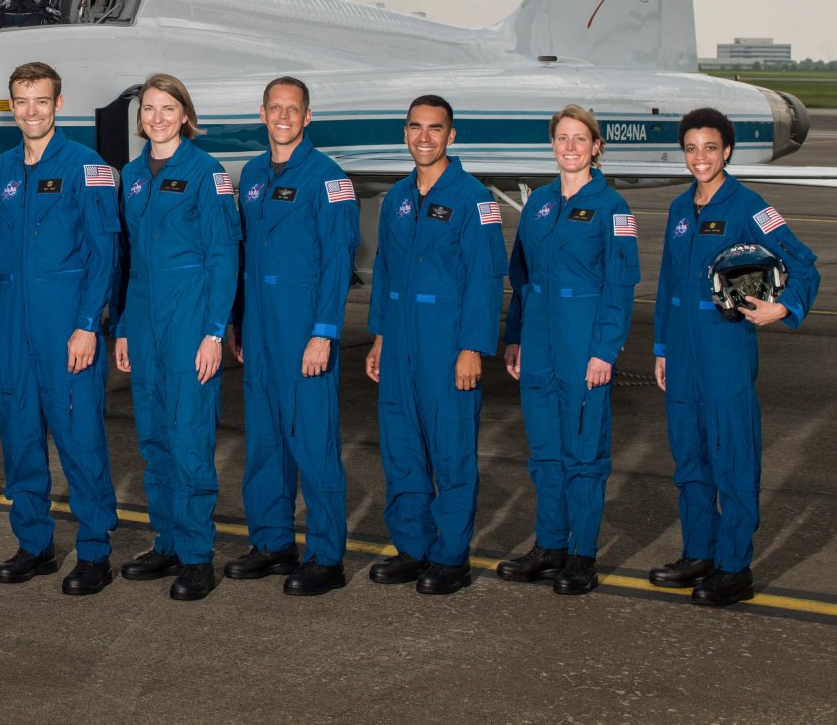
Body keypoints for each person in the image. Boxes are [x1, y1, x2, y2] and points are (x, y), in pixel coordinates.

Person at [648, 107, 819, 607]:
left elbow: (803, 265)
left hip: (724, 346)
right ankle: (700, 552)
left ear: (727, 151)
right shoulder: (681, 209)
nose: (700, 157)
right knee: (690, 458)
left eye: (710, 148)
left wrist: (783, 308)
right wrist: (660, 349)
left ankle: (734, 566)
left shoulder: (751, 206)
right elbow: (667, 288)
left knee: (732, 458)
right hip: (681, 352)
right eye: (691, 148)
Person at [0, 61, 122, 596]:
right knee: (19, 439)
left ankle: (94, 550)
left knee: (79, 437)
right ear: (11, 107)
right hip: (13, 328)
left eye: (41, 100)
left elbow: (104, 256)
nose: (31, 111)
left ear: (59, 105)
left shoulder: (88, 168)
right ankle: (33, 544)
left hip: (67, 326)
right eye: (21, 101)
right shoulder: (3, 170)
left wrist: (88, 325)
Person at [364, 94, 508, 595]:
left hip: (446, 342)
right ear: (406, 132)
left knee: (450, 451)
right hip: (400, 338)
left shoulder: (475, 199)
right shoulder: (398, 198)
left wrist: (473, 347)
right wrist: (379, 335)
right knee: (402, 448)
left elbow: (488, 278)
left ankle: (450, 556)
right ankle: (413, 547)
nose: (424, 137)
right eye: (415, 127)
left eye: (434, 128)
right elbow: (383, 271)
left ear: (451, 135)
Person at [495, 105, 639, 596]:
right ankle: (550, 545)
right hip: (537, 346)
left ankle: (581, 555)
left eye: (581, 139)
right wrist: (514, 337)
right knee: (545, 456)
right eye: (562, 138)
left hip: (584, 349)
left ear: (596, 147)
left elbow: (621, 286)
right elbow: (523, 278)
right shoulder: (537, 204)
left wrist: (605, 351)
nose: (571, 147)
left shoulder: (613, 207)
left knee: (585, 457)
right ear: (552, 144)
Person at [225, 77, 359, 597]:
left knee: (314, 441)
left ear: (307, 117)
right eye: (275, 108)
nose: (283, 116)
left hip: (304, 325)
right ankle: (272, 541)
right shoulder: (254, 173)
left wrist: (324, 333)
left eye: (293, 109)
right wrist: (239, 321)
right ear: (262, 113)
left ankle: (327, 555)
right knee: (264, 439)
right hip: (259, 327)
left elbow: (337, 263)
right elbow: (244, 257)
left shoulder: (329, 179)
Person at [114, 73, 239, 601]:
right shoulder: (132, 175)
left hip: (190, 321)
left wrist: (214, 332)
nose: (157, 117)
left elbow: (224, 257)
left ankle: (196, 555)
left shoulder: (207, 173)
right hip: (144, 322)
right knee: (154, 438)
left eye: (168, 108)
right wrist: (121, 326)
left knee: (189, 440)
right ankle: (166, 540)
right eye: (149, 109)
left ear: (185, 115)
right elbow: (131, 263)